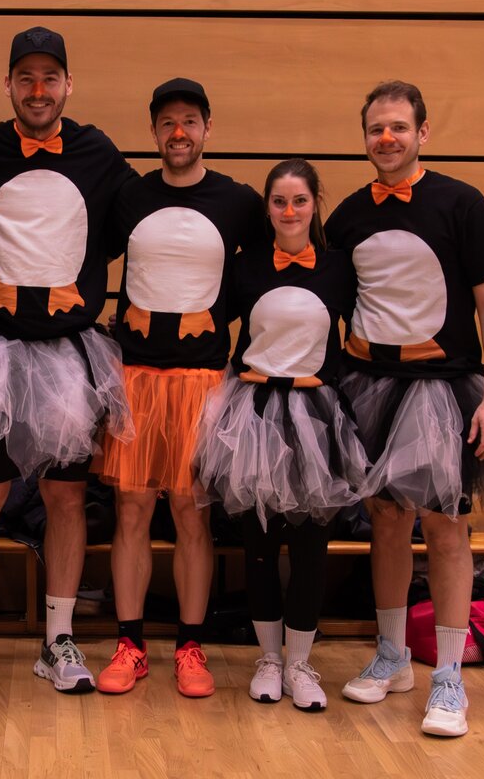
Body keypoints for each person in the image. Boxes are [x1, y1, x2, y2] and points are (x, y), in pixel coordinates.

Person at [326, 81, 484, 736]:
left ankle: (450, 676)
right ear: (364, 137)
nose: (387, 138)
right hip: (369, 387)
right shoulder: (347, 217)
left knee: (447, 527)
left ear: (422, 133)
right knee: (386, 522)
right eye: (376, 128)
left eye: (399, 127)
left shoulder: (462, 203)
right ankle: (392, 655)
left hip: (442, 389)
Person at [0, 26, 136, 698]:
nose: (39, 90)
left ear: (68, 85)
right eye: (26, 77)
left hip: (69, 357)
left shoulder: (98, 153)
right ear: (8, 85)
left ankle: (58, 639)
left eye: (50, 78)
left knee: (66, 497)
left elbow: (143, 217)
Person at [95, 78, 265, 698]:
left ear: (207, 128)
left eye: (190, 121)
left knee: (194, 516)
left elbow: (266, 278)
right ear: (153, 131)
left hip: (203, 381)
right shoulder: (129, 196)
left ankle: (191, 647)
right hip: (136, 377)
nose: (179, 132)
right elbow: (87, 257)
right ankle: (130, 644)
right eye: (167, 122)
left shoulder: (239, 202)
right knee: (132, 511)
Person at [195, 158, 368, 711]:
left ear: (315, 204)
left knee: (312, 547)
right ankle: (269, 659)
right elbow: (212, 328)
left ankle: (300, 663)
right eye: (279, 201)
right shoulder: (244, 267)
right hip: (254, 413)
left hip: (317, 415)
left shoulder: (339, 269)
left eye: (299, 200)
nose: (289, 211)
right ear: (266, 208)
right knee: (260, 545)